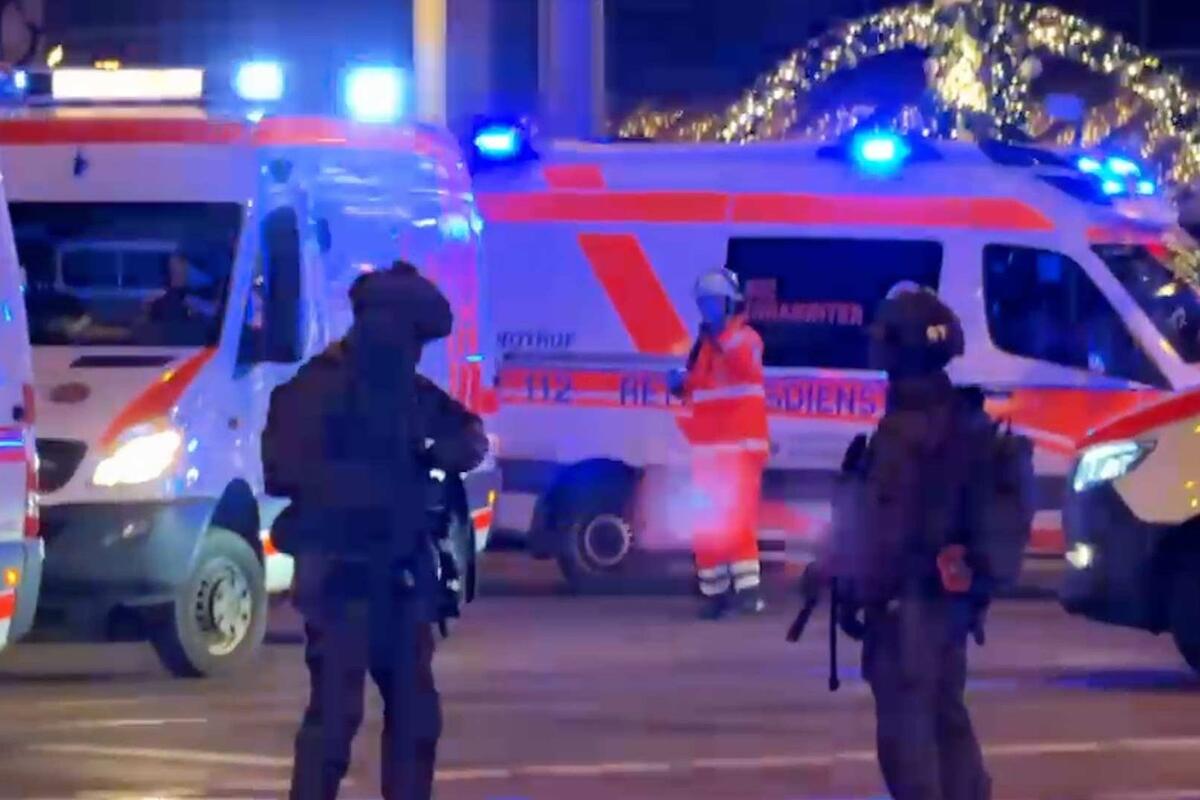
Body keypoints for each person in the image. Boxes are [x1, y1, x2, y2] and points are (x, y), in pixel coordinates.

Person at [263, 261, 487, 800]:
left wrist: (439, 453)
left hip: (401, 574)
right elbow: (283, 470)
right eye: (413, 339)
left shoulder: (407, 392)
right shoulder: (316, 389)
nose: (416, 353)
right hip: (340, 575)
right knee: (335, 720)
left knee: (415, 716)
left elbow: (468, 436)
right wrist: (374, 486)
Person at [842, 283, 994, 800]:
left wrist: (858, 588)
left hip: (907, 604)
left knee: (907, 729)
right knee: (946, 712)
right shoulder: (959, 416)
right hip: (948, 603)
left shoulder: (905, 431)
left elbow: (886, 526)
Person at [668, 268, 769, 619]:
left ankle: (748, 593)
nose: (708, 310)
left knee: (737, 520)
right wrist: (681, 385)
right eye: (704, 304)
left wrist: (716, 336)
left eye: (714, 303)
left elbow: (742, 367)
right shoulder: (706, 348)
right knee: (708, 523)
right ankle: (715, 593)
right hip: (709, 452)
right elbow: (701, 386)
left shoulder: (745, 338)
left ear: (730, 303)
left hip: (740, 448)